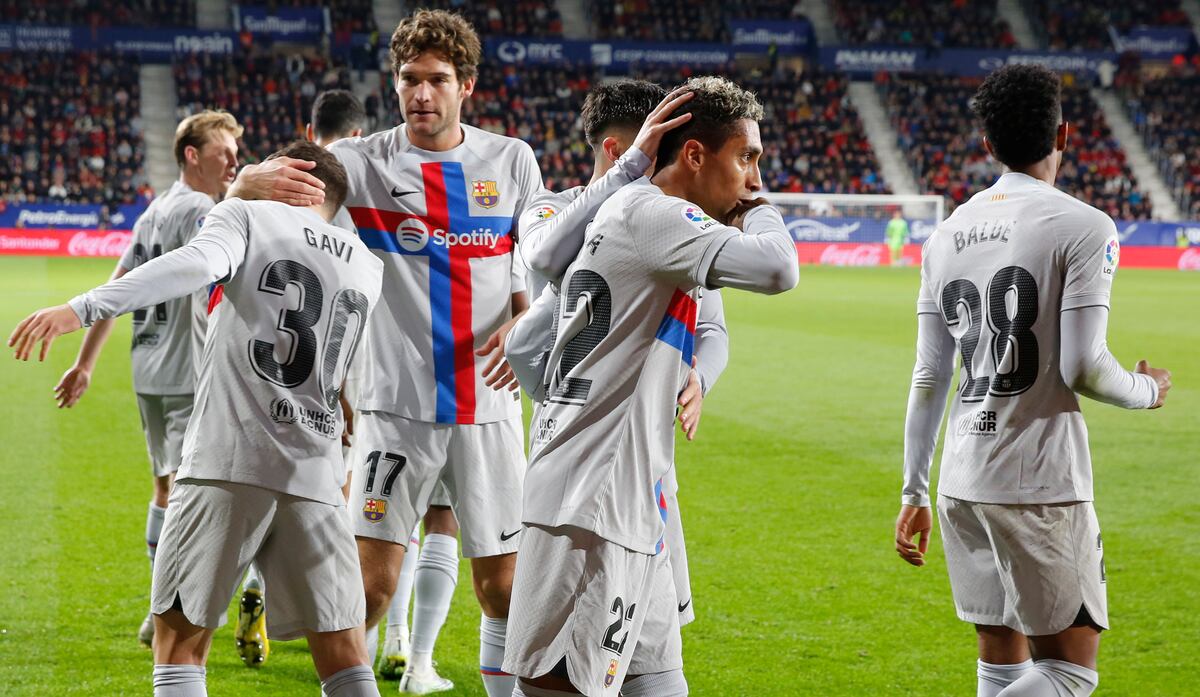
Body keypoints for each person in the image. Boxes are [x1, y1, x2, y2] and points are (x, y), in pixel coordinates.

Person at [228, 10, 539, 695]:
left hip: (488, 405)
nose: (421, 93)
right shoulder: (363, 165)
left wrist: (525, 321)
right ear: (392, 83)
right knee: (366, 589)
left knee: (507, 588)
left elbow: (534, 266)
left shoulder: (512, 160)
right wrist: (244, 184)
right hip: (394, 409)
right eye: (408, 79)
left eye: (436, 80)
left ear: (467, 86)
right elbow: (269, 193)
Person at [9, 141, 385, 697]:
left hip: (227, 461)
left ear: (288, 173)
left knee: (180, 644)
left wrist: (81, 308)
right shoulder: (366, 263)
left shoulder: (247, 216)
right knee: (345, 655)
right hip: (317, 472)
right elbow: (358, 374)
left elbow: (197, 264)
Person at [502, 75, 798, 697]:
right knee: (559, 686)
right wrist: (758, 209)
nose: (753, 177)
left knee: (658, 678)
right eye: (746, 159)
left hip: (635, 496)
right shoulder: (656, 215)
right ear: (694, 155)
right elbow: (778, 267)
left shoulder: (631, 214)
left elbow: (529, 342)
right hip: (592, 501)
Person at [893, 64, 1172, 697]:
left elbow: (930, 374)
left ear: (986, 144)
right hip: (1039, 479)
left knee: (1003, 654)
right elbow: (1084, 367)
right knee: (1069, 671)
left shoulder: (944, 236)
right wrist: (1147, 390)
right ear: (1064, 135)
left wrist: (913, 491)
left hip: (963, 480)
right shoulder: (1084, 226)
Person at [513, 81, 730, 666]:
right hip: (576, 460)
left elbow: (714, 330)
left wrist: (700, 381)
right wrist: (631, 172)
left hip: (649, 470)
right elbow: (541, 255)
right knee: (555, 656)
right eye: (652, 153)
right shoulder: (549, 210)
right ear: (618, 152)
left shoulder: (667, 223)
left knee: (656, 656)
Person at [50, 110, 241, 648]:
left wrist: (86, 363)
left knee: (166, 487)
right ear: (192, 155)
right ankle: (174, 606)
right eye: (223, 150)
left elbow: (117, 288)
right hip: (188, 373)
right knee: (202, 491)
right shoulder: (203, 211)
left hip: (148, 372)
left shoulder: (153, 211)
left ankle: (166, 599)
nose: (233, 160)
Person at [230, 88, 375, 672]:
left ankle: (248, 594)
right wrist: (349, 405)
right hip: (320, 398)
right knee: (322, 512)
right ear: (360, 140)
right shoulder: (354, 220)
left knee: (236, 505)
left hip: (245, 388)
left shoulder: (267, 196)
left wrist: (240, 187)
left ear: (305, 134)